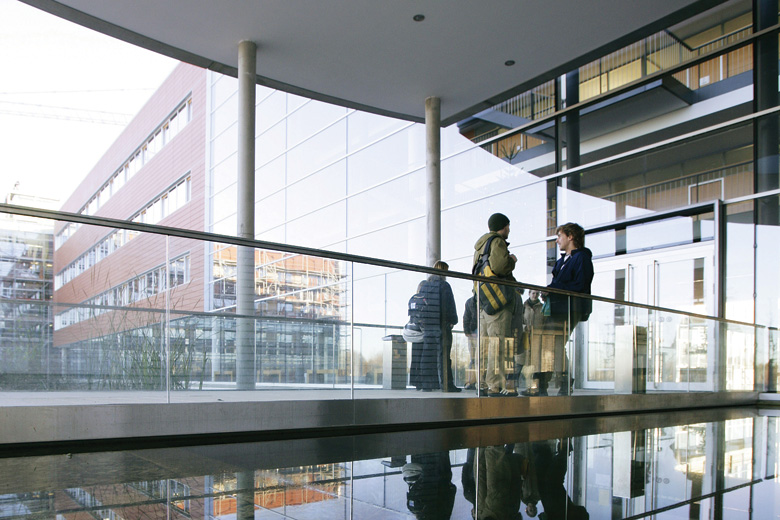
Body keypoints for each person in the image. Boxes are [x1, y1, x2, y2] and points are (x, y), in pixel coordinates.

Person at [545, 222, 594, 396]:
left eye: (560, 236)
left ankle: (565, 380)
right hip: (559, 307)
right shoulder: (562, 261)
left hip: (570, 308)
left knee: (558, 344)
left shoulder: (582, 258)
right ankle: (561, 379)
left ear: (571, 236)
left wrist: (556, 288)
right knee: (553, 344)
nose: (557, 240)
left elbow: (581, 284)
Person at [472, 213, 517, 397]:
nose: (509, 230)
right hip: (497, 301)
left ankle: (481, 383)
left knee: (483, 345)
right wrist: (512, 261)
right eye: (508, 226)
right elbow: (499, 267)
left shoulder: (481, 245)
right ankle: (494, 386)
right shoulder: (497, 242)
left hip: (484, 301)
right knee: (497, 345)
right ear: (503, 226)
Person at [417, 261, 460, 392]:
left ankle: (427, 385)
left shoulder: (425, 286)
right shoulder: (444, 285)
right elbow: (449, 305)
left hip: (428, 327)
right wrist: (453, 320)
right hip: (442, 327)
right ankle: (447, 385)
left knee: (428, 355)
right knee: (444, 356)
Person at [462, 295, 478, 390]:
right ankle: (471, 381)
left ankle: (476, 381)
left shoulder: (471, 302)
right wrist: (467, 332)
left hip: (479, 332)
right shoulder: (470, 302)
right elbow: (466, 317)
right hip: (473, 333)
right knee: (473, 359)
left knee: (478, 359)